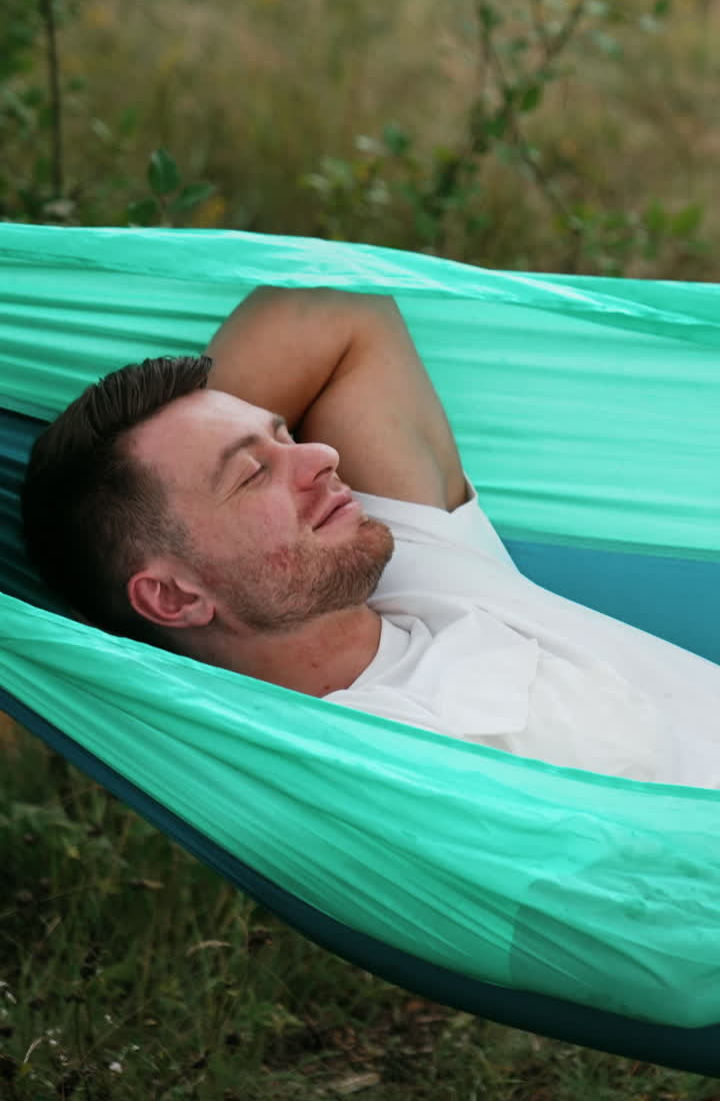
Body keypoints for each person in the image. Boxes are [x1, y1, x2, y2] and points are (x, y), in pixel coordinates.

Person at [21, 286, 720, 786]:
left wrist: (108, 615)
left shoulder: (409, 568)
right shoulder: (375, 764)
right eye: (253, 473)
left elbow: (332, 306)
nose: (322, 457)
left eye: (285, 431)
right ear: (172, 598)